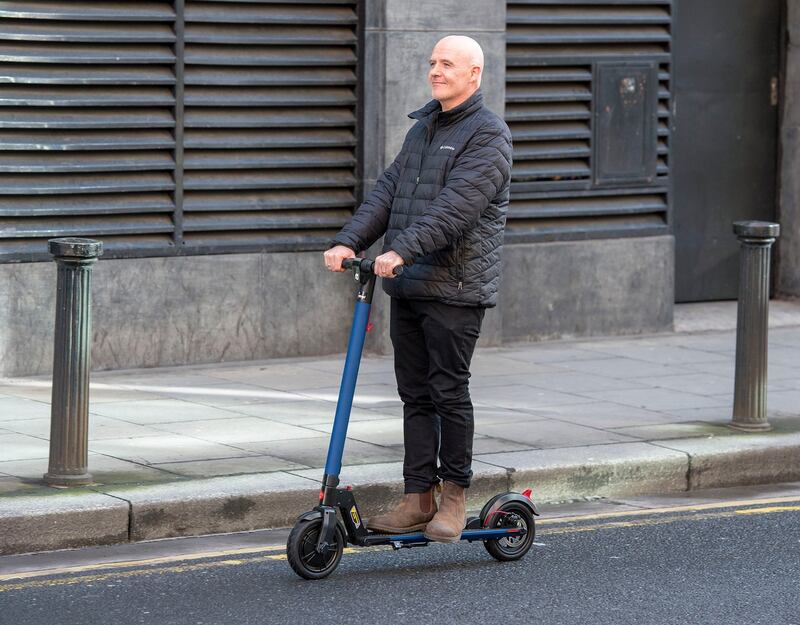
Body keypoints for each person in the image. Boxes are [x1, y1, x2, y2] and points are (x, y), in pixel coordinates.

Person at [323, 35, 512, 543]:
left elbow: (456, 208)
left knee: (448, 390)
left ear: (475, 74)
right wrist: (349, 240)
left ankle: (453, 497)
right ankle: (417, 497)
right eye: (433, 62)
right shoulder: (425, 127)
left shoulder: (488, 135)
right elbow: (389, 190)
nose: (436, 70)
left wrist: (401, 250)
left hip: (454, 285)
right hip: (407, 283)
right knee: (414, 393)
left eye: (447, 63)